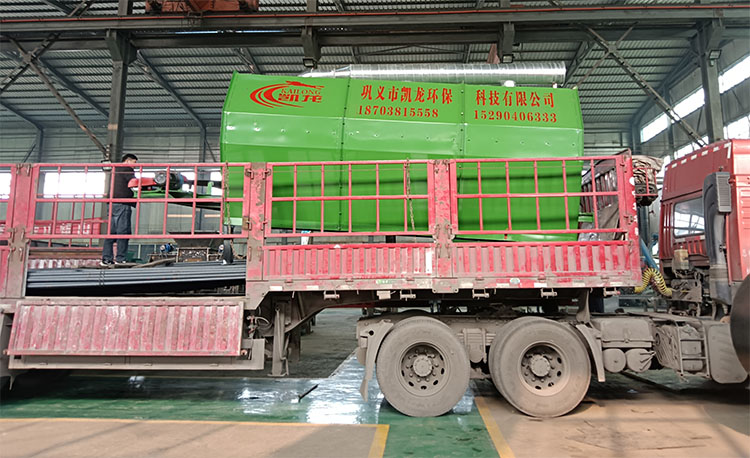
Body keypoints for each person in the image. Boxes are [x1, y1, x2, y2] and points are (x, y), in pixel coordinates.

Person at [101, 154, 138, 266]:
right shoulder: (126, 169)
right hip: (122, 203)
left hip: (112, 203)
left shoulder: (115, 169)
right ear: (127, 161)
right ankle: (120, 259)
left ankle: (106, 259)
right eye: (134, 163)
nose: (135, 166)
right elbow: (134, 182)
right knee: (123, 232)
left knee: (111, 232)